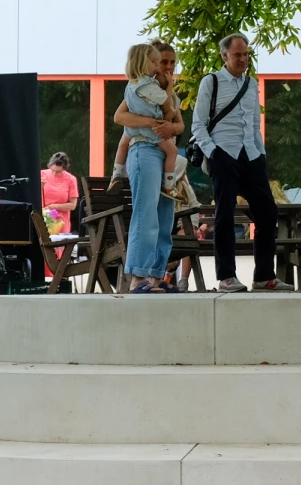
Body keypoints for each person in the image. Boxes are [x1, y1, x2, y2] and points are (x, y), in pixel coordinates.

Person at [192, 33, 284, 292]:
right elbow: (198, 124)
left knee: (267, 211)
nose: (243, 59)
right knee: (224, 214)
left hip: (251, 155)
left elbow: (255, 124)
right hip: (223, 154)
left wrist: (260, 153)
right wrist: (213, 153)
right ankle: (226, 277)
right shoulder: (211, 82)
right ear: (224, 56)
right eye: (237, 55)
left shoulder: (251, 84)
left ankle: (264, 276)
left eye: (246, 54)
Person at [118, 44, 181, 293]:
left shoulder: (166, 91)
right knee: (146, 216)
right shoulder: (140, 87)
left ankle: (155, 276)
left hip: (164, 152)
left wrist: (171, 126)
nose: (164, 67)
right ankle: (138, 277)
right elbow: (119, 117)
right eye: (160, 61)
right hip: (145, 149)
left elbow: (178, 124)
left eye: (170, 62)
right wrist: (152, 122)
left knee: (164, 217)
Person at [40, 152, 79, 238]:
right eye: (52, 170)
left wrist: (53, 206)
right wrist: (40, 187)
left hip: (61, 222)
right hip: (43, 219)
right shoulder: (41, 175)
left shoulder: (71, 179)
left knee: (61, 248)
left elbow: (73, 205)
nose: (54, 174)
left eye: (58, 172)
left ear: (64, 169)